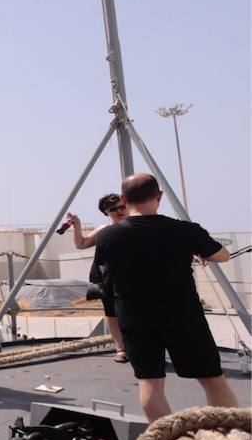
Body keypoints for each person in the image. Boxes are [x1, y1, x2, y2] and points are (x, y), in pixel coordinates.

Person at [95, 173, 239, 422]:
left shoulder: (109, 236)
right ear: (159, 196)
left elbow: (104, 273)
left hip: (136, 317)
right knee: (212, 378)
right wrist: (196, 251)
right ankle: (229, 439)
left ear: (124, 198)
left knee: (150, 382)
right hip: (183, 314)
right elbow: (222, 255)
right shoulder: (185, 231)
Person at [63, 193, 130, 363]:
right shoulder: (103, 230)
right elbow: (82, 244)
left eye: (122, 206)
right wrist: (77, 226)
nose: (120, 211)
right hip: (108, 277)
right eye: (114, 209)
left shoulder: (137, 225)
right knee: (111, 312)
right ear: (107, 212)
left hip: (134, 276)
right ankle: (121, 348)